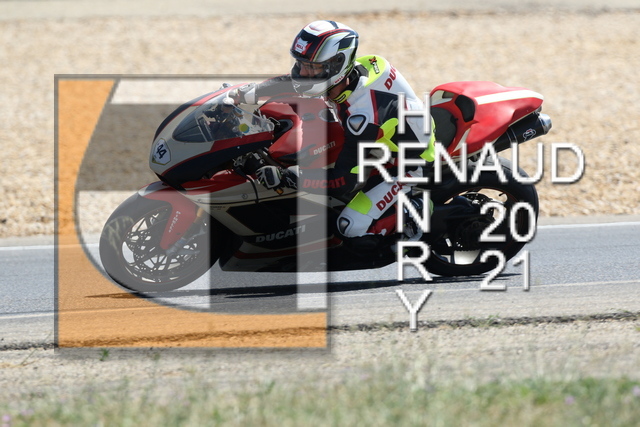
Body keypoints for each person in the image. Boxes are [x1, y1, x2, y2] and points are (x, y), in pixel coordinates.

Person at [232, 20, 435, 250]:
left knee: (350, 227)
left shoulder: (362, 116)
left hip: (405, 164)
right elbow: (292, 82)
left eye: (313, 68)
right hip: (381, 142)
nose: (304, 73)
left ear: (338, 64)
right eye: (301, 64)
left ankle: (417, 209)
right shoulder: (360, 68)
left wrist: (288, 177)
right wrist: (250, 92)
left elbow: (343, 182)